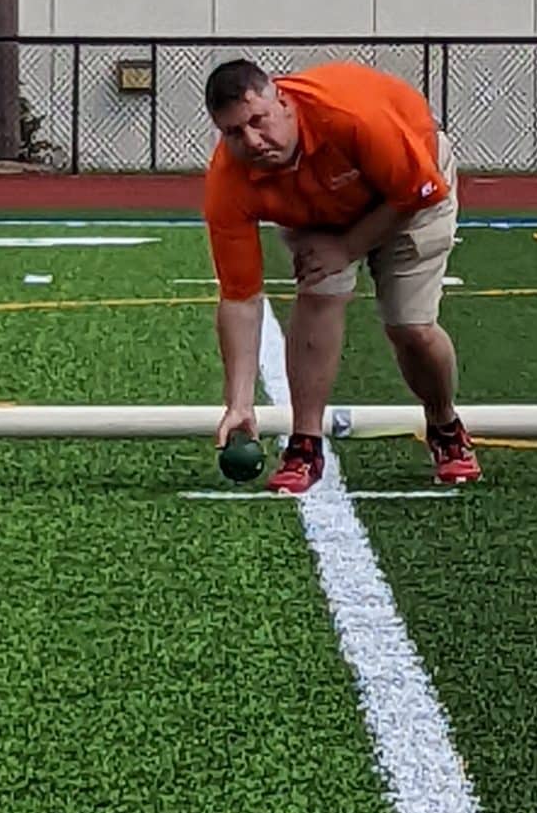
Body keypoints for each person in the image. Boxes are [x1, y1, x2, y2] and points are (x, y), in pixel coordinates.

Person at [201, 57, 481, 495]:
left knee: (411, 326)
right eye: (234, 132)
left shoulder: (352, 117)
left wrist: (348, 247)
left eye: (259, 120)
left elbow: (419, 189)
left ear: (283, 102)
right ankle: (305, 444)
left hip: (409, 188)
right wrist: (238, 404)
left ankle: (445, 426)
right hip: (314, 205)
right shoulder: (229, 180)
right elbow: (240, 298)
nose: (253, 141)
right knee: (318, 294)